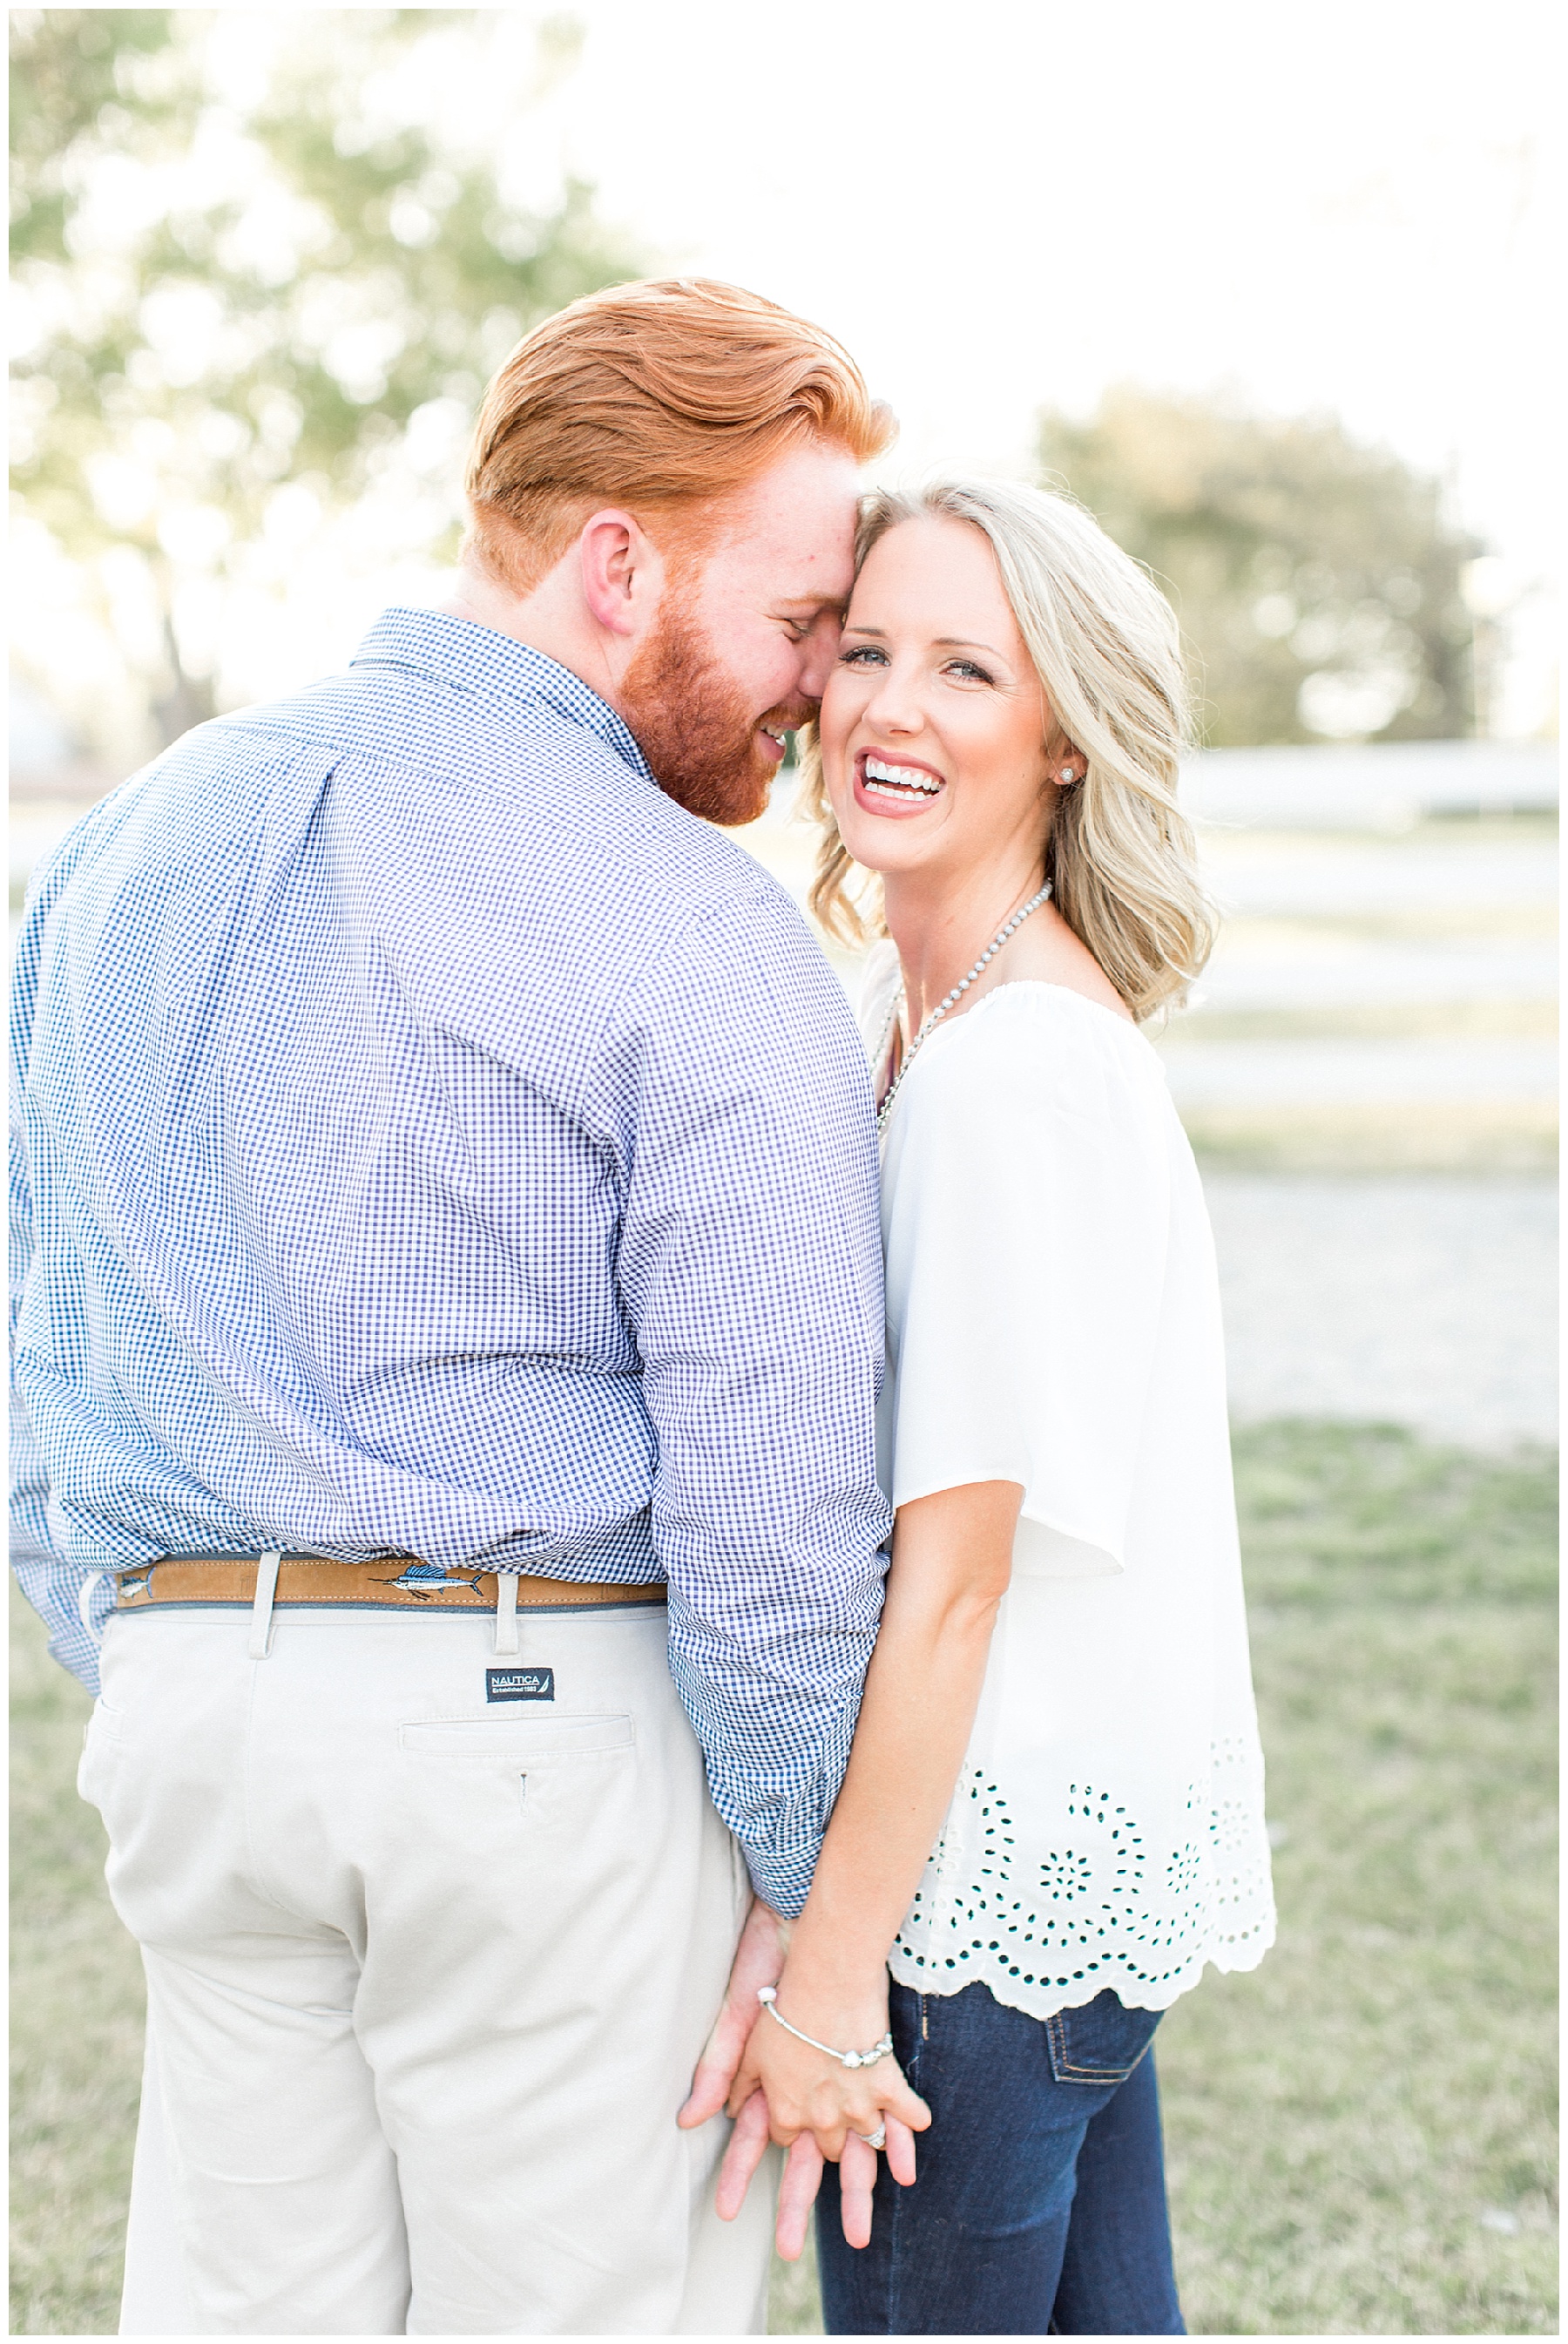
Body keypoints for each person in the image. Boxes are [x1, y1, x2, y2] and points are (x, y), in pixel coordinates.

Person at [9, 278, 899, 2335]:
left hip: (193, 1725)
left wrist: (154, 1657)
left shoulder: (122, 849)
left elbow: (39, 1336)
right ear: (621, 566)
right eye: (798, 619)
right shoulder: (693, 921)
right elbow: (770, 1493)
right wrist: (801, 1881)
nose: (816, 686)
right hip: (535, 1738)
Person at [707, 478, 1278, 2333]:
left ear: (1065, 736)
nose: (891, 706)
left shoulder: (1004, 1076)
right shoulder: (918, 1014)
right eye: (868, 648)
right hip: (1052, 1896)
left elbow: (953, 1584)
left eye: (967, 668)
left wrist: (830, 1977)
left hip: (972, 1920)